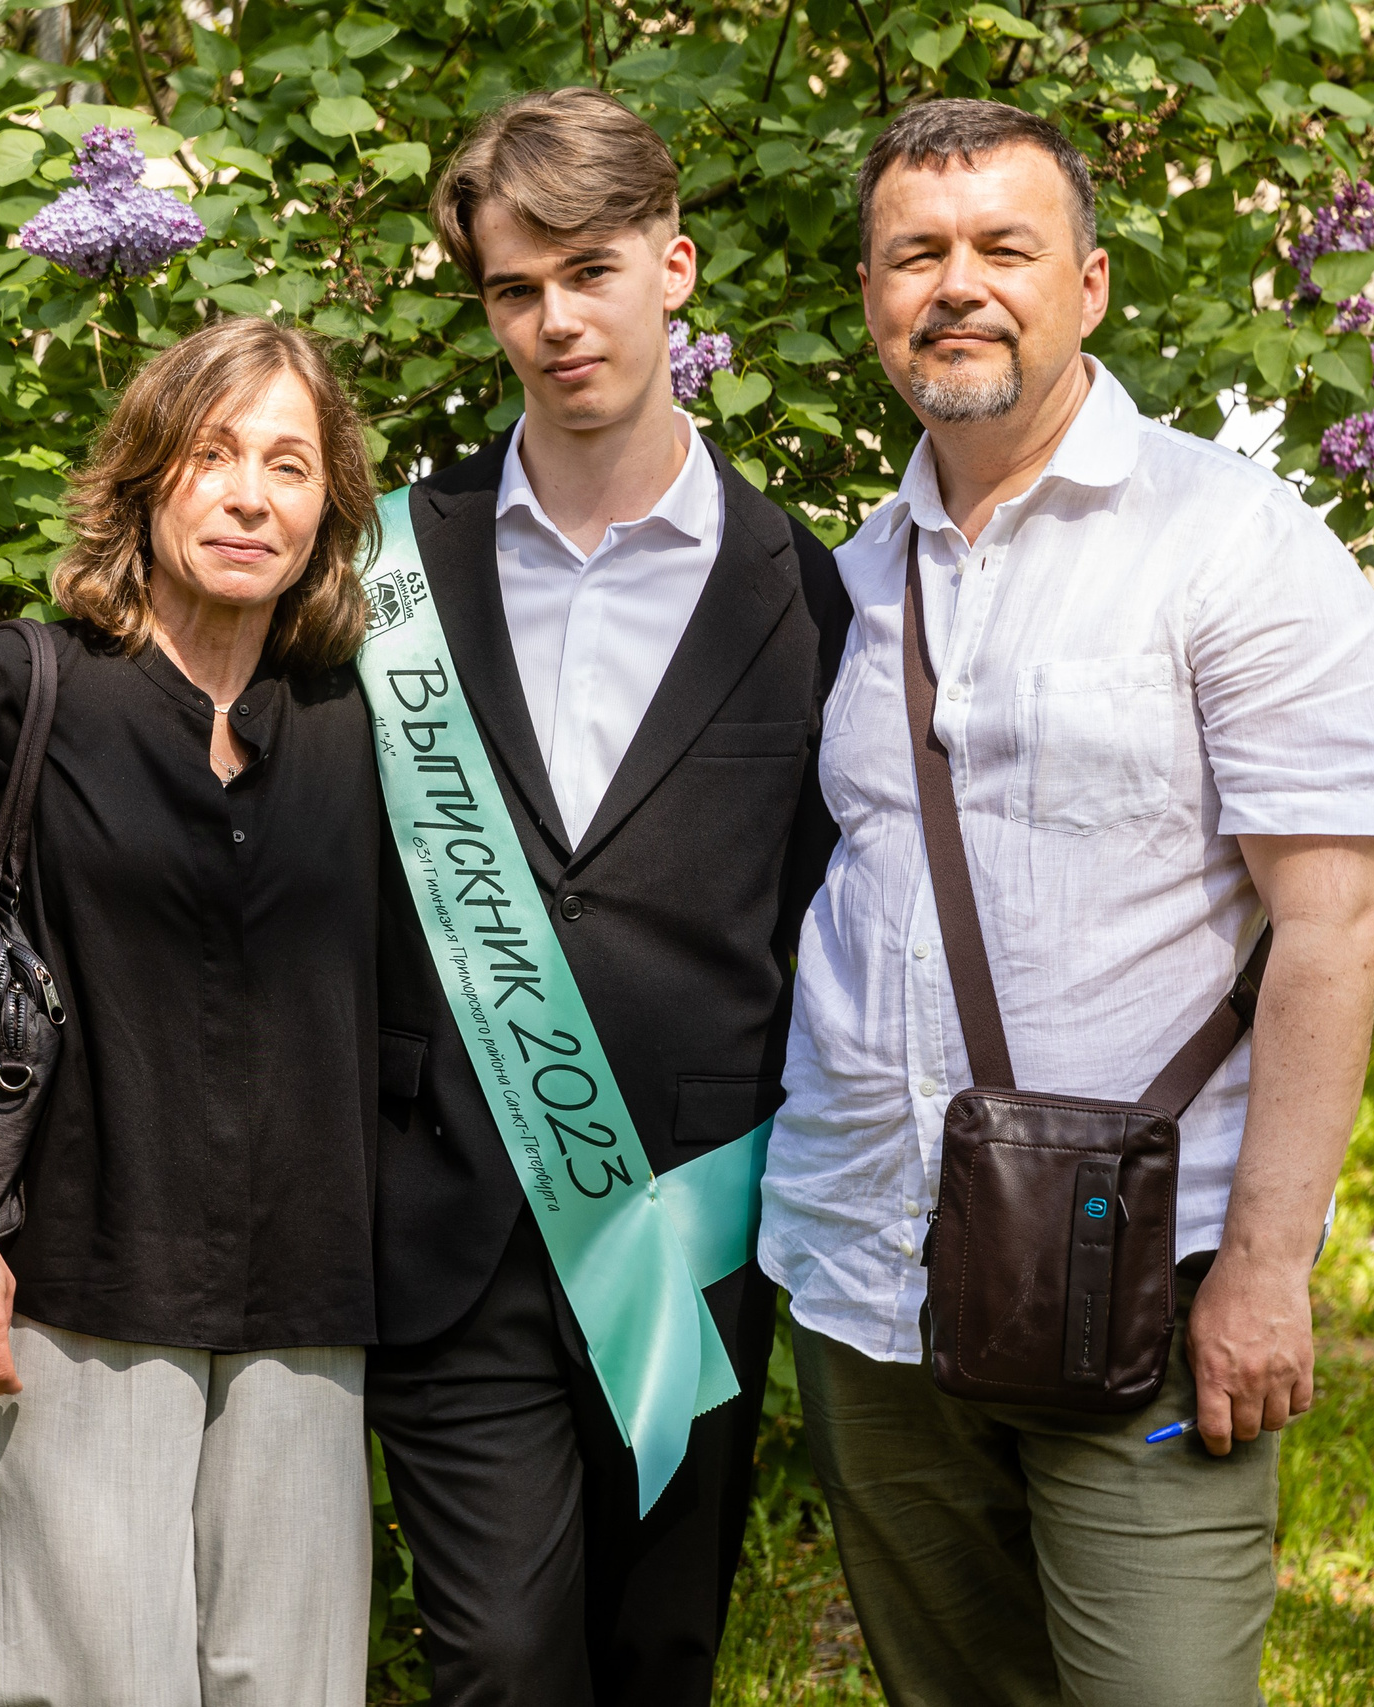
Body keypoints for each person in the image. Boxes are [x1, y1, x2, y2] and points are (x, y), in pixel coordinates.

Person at [758, 99, 1374, 1707]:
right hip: (869, 1273)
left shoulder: (1234, 546)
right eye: (918, 252)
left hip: (1140, 1287)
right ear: (870, 294)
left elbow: (1333, 923)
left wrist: (1266, 1271)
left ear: (1092, 284)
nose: (959, 284)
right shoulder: (850, 579)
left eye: (1005, 248)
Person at [0, 317, 384, 1707]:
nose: (251, 494)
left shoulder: (358, 717)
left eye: (291, 465)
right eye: (214, 455)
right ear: (145, 480)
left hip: (307, 1290)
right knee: (87, 1686)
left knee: (297, 1687)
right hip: (73, 1279)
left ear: (329, 509)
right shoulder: (24, 687)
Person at [365, 87, 850, 1707]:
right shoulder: (391, 572)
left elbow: (817, 905)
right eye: (516, 287)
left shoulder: (808, 592)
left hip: (685, 1237)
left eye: (588, 270)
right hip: (456, 1226)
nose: (555, 320)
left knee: (659, 1660)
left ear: (675, 268)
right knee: (500, 1663)